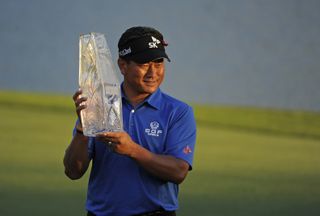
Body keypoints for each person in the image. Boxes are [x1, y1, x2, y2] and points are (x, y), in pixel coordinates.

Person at [63, 26, 197, 216]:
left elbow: (178, 172)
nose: (153, 72)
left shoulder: (178, 112)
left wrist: (132, 149)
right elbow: (73, 171)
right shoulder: (100, 104)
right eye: (144, 64)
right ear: (123, 66)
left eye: (158, 63)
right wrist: (82, 128)